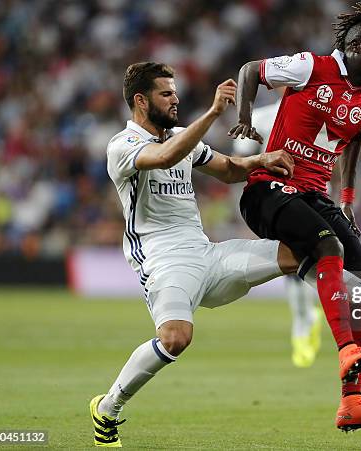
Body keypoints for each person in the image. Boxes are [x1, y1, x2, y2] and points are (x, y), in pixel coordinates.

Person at [229, 2, 361, 431]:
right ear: (355, 45)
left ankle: (353, 402)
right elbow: (251, 69)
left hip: (315, 195)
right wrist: (246, 120)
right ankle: (344, 346)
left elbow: (353, 137)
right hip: (268, 187)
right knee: (329, 246)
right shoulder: (310, 66)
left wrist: (347, 197)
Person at [89, 62, 300, 447]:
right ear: (140, 100)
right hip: (163, 260)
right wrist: (215, 112)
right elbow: (166, 156)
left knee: (298, 253)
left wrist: (261, 160)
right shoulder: (122, 146)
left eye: (175, 91)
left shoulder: (182, 137)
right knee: (174, 338)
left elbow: (230, 169)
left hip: (206, 254)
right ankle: (108, 407)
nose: (175, 99)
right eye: (165, 93)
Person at [232, 88, 322, 368]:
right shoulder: (262, 117)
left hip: (310, 194)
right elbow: (241, 159)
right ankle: (305, 320)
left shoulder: (317, 117)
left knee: (306, 260)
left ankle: (307, 319)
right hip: (277, 198)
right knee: (297, 260)